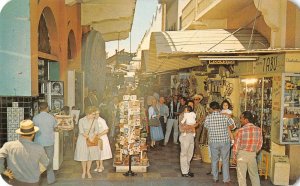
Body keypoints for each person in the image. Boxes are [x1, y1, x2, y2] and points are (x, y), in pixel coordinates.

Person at [0, 120, 49, 186]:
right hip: (33, 182)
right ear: (33, 134)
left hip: (14, 181)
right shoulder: (39, 148)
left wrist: (3, 171)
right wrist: (36, 172)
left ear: (20, 133)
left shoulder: (8, 145)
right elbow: (46, 163)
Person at [203, 101, 234, 183]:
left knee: (214, 160)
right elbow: (232, 126)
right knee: (225, 160)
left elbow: (206, 127)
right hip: (224, 141)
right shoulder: (225, 116)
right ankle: (226, 179)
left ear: (211, 108)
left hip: (213, 141)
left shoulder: (208, 117)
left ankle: (215, 178)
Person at [233, 111, 263, 186]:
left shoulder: (240, 130)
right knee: (254, 175)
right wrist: (255, 152)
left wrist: (234, 156)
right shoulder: (258, 130)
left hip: (242, 154)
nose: (240, 120)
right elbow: (260, 144)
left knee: (241, 176)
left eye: (241, 118)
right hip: (252, 155)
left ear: (246, 120)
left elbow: (236, 145)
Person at [33, 102, 57, 185]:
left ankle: (37, 179)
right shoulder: (51, 117)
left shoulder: (35, 118)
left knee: (38, 160)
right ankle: (50, 179)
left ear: (39, 108)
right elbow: (55, 128)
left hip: (38, 142)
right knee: (49, 160)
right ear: (47, 108)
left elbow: (34, 129)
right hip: (49, 142)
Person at [74, 106, 100, 179]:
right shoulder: (81, 120)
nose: (94, 116)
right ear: (88, 114)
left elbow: (97, 130)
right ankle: (84, 172)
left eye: (94, 114)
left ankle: (88, 171)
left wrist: (93, 137)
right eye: (93, 114)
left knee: (90, 157)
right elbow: (81, 131)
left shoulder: (95, 121)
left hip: (92, 139)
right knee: (83, 156)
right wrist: (89, 138)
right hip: (83, 139)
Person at [178, 105, 198, 177]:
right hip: (184, 136)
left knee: (190, 153)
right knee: (184, 154)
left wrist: (192, 126)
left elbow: (196, 123)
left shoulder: (192, 115)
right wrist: (192, 126)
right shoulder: (182, 116)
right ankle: (184, 172)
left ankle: (187, 169)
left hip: (191, 136)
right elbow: (182, 128)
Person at [93, 108, 112, 172]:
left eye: (98, 113)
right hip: (95, 138)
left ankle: (101, 166)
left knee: (101, 152)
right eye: (95, 113)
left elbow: (106, 130)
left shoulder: (102, 120)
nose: (97, 115)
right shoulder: (92, 120)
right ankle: (97, 166)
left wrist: (99, 134)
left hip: (102, 138)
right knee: (96, 152)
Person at [193, 94, 206, 160]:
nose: (196, 100)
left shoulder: (201, 107)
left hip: (198, 125)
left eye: (197, 99)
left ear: (199, 100)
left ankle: (199, 155)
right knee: (194, 139)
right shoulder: (194, 107)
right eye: (195, 99)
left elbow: (203, 116)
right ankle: (196, 153)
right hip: (194, 124)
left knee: (196, 139)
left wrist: (198, 122)